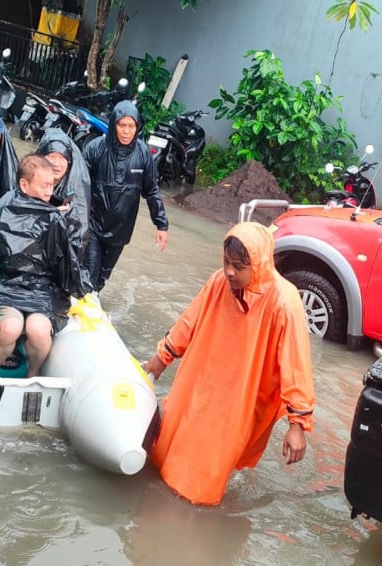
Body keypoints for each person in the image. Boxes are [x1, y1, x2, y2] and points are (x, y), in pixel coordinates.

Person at [144, 222, 316, 506]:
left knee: (199, 484)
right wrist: (162, 357)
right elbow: (190, 321)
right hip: (200, 380)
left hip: (239, 399)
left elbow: (296, 365)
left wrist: (297, 424)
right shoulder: (218, 283)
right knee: (164, 451)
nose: (229, 272)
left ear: (258, 265)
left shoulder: (284, 302)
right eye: (226, 262)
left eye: (238, 266)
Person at [0, 155, 91, 377]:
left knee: (38, 330)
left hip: (43, 290)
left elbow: (64, 262)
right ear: (24, 184)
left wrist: (78, 289)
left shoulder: (54, 217)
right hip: (9, 286)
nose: (49, 191)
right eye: (44, 186)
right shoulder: (3, 207)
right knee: (9, 328)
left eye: (52, 185)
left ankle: (32, 374)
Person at [82, 100, 169, 292]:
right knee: (88, 275)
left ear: (137, 127)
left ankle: (91, 308)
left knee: (102, 278)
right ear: (114, 125)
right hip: (93, 225)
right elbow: (79, 184)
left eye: (131, 126)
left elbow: (152, 190)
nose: (126, 131)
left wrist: (161, 225)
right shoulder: (96, 148)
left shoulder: (143, 153)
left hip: (121, 230)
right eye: (122, 125)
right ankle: (78, 310)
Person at [36, 127, 91, 254]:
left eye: (62, 158)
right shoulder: (30, 179)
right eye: (51, 156)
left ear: (69, 162)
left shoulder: (74, 190)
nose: (56, 164)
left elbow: (79, 235)